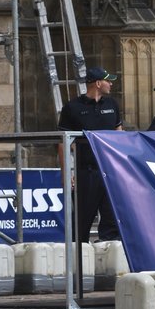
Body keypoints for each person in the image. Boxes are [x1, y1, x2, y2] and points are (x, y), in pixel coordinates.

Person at [57, 66, 123, 243]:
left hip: (109, 171)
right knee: (81, 221)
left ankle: (109, 263)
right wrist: (66, 172)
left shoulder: (112, 105)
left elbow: (120, 136)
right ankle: (78, 263)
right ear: (98, 83)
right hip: (86, 172)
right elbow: (62, 142)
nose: (111, 84)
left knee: (112, 220)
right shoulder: (72, 108)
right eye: (108, 81)